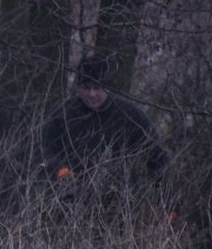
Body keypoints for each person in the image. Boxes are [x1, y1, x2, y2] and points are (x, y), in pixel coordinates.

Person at [39, 52, 170, 195]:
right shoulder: (62, 113)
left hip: (120, 200)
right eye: (86, 88)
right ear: (78, 88)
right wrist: (60, 170)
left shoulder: (130, 115)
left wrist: (167, 204)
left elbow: (157, 157)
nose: (92, 94)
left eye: (97, 88)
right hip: (70, 198)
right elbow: (44, 149)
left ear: (107, 87)